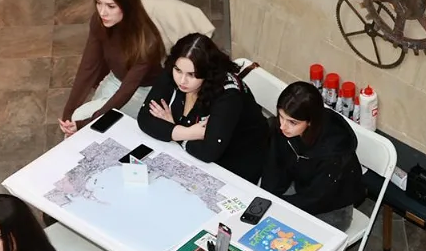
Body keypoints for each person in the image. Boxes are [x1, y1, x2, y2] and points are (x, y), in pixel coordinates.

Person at [137, 33, 269, 182]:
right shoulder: (176, 70)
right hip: (192, 155)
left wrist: (171, 129)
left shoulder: (228, 94)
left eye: (192, 75)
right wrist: (187, 132)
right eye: (178, 70)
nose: (182, 80)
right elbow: (144, 118)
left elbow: (209, 152)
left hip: (236, 158)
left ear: (207, 72)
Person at [60, 0, 164, 135]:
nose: (102, 12)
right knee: (77, 119)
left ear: (127, 6)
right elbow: (88, 68)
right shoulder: (99, 22)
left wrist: (84, 124)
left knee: (86, 121)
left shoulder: (147, 43)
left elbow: (126, 92)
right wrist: (68, 113)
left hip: (144, 92)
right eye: (98, 3)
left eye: (111, 6)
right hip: (115, 79)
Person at [260, 81, 365, 230]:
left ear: (310, 122)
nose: (283, 126)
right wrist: (268, 198)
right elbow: (274, 165)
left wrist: (279, 207)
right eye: (281, 116)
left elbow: (317, 198)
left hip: (332, 208)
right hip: (300, 188)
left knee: (279, 232)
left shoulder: (333, 153)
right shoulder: (287, 128)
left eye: (292, 122)